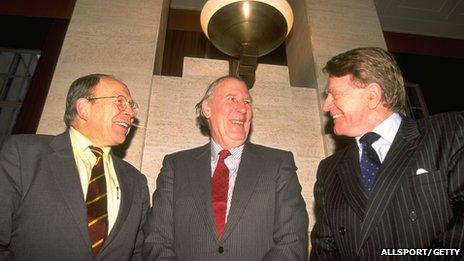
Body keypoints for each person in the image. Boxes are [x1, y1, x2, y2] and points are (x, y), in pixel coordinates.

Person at [310, 47, 464, 259]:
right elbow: (324, 248)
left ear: (372, 96)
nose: (327, 106)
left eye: (334, 95)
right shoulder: (329, 170)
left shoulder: (451, 131)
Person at [143, 75, 309, 260]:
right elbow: (156, 240)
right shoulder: (176, 166)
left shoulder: (278, 164)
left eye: (247, 101)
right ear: (207, 108)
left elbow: (292, 240)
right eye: (232, 99)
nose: (243, 108)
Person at [0, 74, 150, 260]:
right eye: (120, 101)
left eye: (131, 105)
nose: (131, 112)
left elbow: (138, 254)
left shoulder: (136, 182)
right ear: (84, 108)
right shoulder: (23, 154)